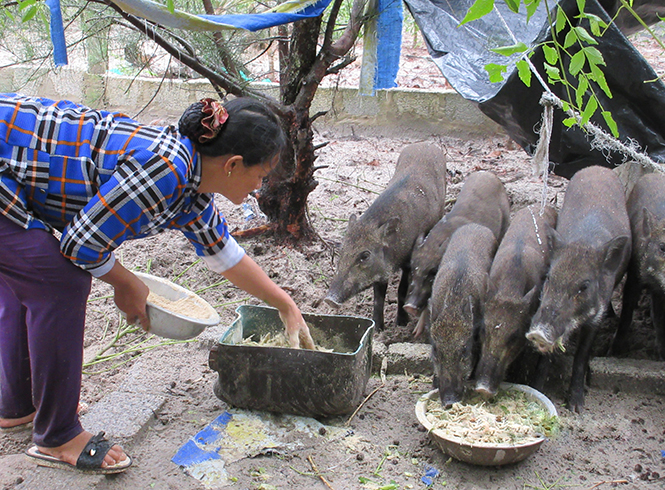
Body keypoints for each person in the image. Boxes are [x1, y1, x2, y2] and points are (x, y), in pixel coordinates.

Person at [0, 93, 315, 474]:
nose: (258, 188)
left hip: (13, 171)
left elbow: (224, 254)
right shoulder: (165, 170)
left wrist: (285, 304)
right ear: (232, 165)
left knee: (32, 269)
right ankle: (58, 436)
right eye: (260, 176)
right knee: (58, 281)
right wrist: (126, 284)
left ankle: (17, 404)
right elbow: (80, 244)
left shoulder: (192, 186)